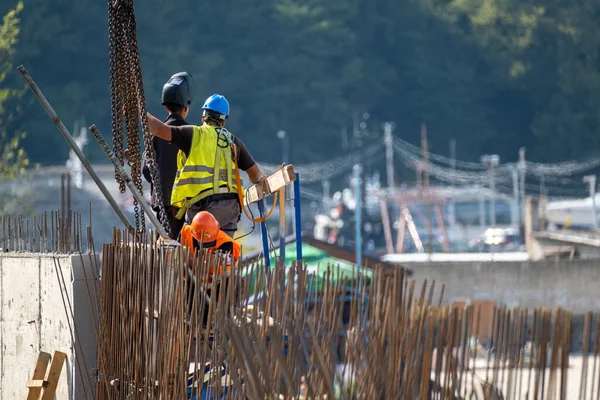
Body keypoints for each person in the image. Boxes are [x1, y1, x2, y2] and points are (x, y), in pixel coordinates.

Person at [145, 93, 267, 238]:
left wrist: (138, 111)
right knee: (222, 253)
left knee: (197, 253)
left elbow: (159, 129)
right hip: (229, 209)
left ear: (203, 117)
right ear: (224, 121)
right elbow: (255, 174)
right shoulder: (234, 143)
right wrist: (261, 180)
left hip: (201, 210)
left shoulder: (193, 134)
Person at [142, 71, 194, 239]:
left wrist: (161, 182)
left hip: (163, 205)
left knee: (164, 250)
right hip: (188, 206)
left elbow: (146, 171)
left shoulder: (155, 136)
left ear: (165, 106)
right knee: (186, 252)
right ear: (186, 108)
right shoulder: (193, 135)